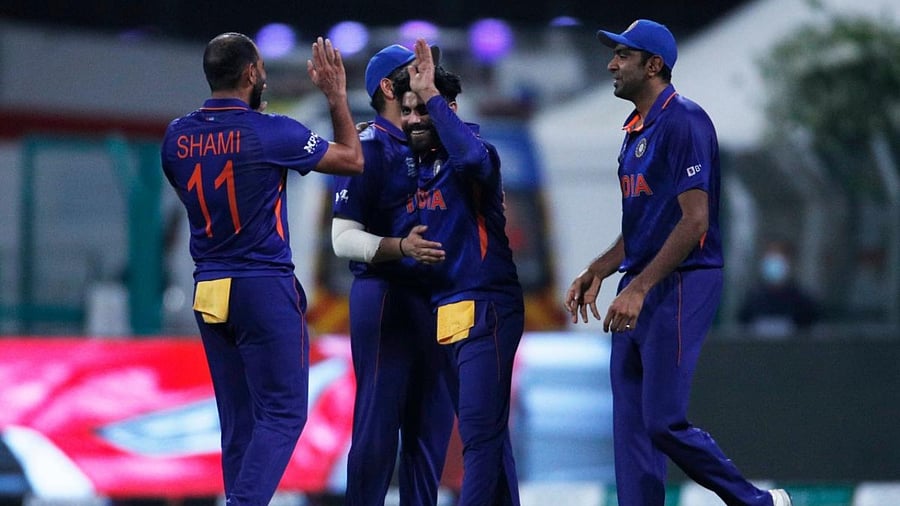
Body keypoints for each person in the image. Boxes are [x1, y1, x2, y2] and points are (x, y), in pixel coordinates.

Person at [563, 20, 792, 506]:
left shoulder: (684, 121)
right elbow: (644, 225)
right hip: (640, 284)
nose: (611, 64)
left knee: (662, 422)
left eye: (623, 55)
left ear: (653, 66)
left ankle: (758, 502)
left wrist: (639, 288)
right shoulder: (634, 132)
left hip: (683, 281)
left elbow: (695, 221)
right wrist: (600, 268)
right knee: (631, 432)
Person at [160, 33, 363, 506]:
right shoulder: (273, 132)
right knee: (284, 413)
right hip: (262, 286)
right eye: (263, 71)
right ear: (251, 73)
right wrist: (335, 96)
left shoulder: (175, 137)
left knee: (238, 421)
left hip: (209, 287)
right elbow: (352, 159)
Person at [393, 39, 524, 506]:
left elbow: (469, 158)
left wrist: (430, 94)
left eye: (423, 109)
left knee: (478, 437)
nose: (413, 119)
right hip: (445, 311)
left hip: (486, 306)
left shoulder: (477, 154)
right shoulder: (418, 166)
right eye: (406, 111)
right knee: (489, 437)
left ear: (446, 109)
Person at [330, 43, 454, 506]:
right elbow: (342, 238)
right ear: (388, 87)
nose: (426, 73)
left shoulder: (435, 141)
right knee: (378, 424)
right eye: (413, 69)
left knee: (430, 429)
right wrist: (400, 247)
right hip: (385, 296)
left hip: (434, 298)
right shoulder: (367, 147)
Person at [738, 239, 819, 337]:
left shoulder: (802, 301)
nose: (774, 262)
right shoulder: (752, 300)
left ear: (790, 262)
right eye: (770, 256)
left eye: (779, 257)